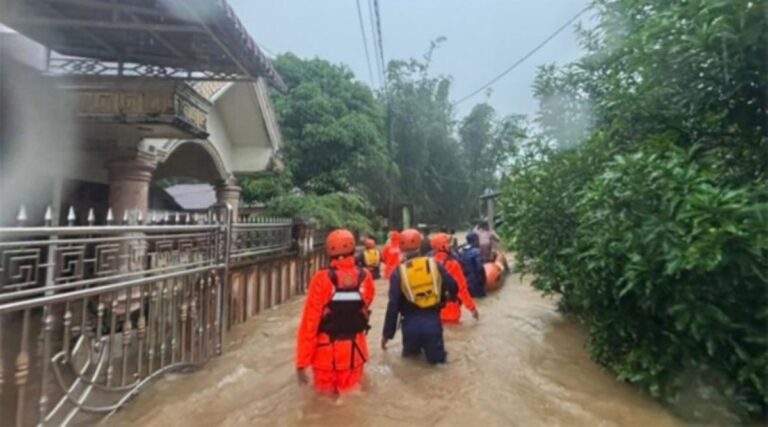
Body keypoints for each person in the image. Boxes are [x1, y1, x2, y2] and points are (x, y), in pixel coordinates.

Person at [296, 229, 375, 394]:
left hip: (324, 355)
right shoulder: (366, 276)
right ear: (353, 248)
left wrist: (302, 362)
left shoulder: (320, 279)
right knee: (351, 401)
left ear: (329, 250)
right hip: (355, 352)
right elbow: (366, 303)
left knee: (323, 405)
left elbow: (310, 322)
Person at [381, 229, 458, 364]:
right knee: (438, 365)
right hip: (432, 321)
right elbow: (453, 285)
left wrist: (387, 334)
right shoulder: (435, 264)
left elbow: (393, 306)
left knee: (411, 364)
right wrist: (451, 298)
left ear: (401, 248)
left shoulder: (398, 272)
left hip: (409, 325)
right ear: (420, 245)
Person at [431, 233, 479, 324]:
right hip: (450, 312)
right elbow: (462, 289)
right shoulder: (453, 265)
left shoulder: (429, 263)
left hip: (433, 313)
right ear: (443, 246)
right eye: (448, 244)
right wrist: (472, 308)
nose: (451, 246)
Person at [458, 232, 487, 298]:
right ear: (475, 240)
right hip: (476, 282)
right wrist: (483, 280)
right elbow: (480, 268)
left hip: (466, 282)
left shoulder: (461, 251)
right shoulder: (476, 251)